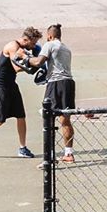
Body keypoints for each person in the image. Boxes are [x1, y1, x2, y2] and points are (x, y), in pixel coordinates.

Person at [0, 27, 39, 159]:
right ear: (26, 39)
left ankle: (22, 148)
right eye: (33, 43)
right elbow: (16, 67)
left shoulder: (24, 48)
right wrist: (35, 65)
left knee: (21, 116)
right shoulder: (12, 46)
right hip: (0, 87)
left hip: (11, 85)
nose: (34, 46)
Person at [24, 22, 76, 163]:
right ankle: (68, 154)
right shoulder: (66, 48)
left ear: (50, 36)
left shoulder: (50, 45)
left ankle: (50, 156)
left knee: (49, 118)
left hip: (55, 83)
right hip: (69, 83)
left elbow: (38, 62)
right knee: (65, 120)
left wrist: (25, 59)